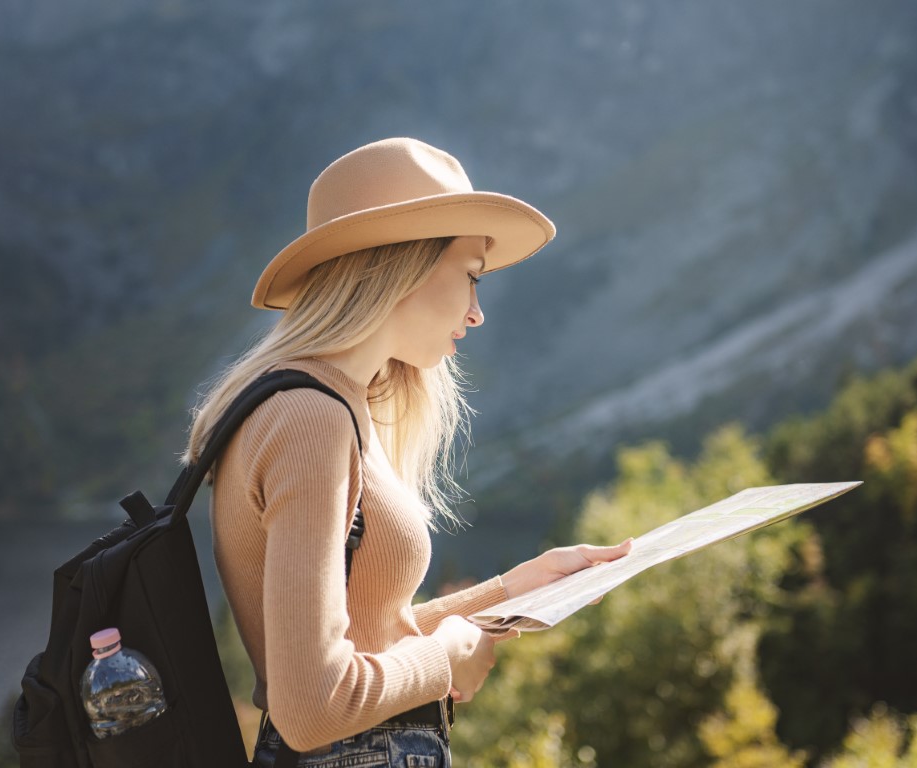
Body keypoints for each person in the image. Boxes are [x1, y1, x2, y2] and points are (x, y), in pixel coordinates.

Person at [183, 137, 631, 767]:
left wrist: (510, 593)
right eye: (470, 277)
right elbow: (311, 705)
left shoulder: (318, 404)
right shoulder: (311, 418)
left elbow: (364, 637)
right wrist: (447, 655)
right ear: (403, 265)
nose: (477, 313)